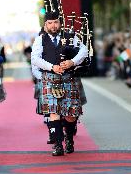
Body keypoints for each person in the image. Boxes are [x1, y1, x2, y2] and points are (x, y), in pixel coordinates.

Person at [31, 11, 88, 156]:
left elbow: (84, 50)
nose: (53, 25)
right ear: (45, 25)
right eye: (50, 23)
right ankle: (57, 145)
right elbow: (35, 59)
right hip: (50, 78)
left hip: (69, 78)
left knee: (70, 115)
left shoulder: (70, 37)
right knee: (53, 112)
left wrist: (72, 62)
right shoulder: (40, 40)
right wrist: (51, 67)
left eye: (56, 22)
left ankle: (69, 139)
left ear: (60, 23)